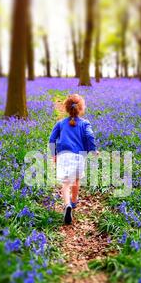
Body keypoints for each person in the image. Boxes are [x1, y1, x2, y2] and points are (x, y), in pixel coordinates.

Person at [49, 94, 98, 224]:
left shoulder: (60, 124)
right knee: (76, 180)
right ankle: (74, 202)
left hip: (64, 156)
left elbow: (51, 139)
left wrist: (54, 154)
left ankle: (67, 205)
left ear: (66, 108)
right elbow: (89, 136)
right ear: (81, 109)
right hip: (79, 157)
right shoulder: (85, 124)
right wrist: (92, 150)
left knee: (65, 184)